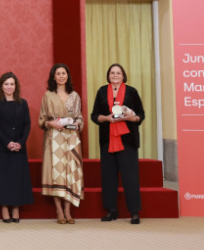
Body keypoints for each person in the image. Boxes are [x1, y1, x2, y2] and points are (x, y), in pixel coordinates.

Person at [91, 63, 145, 224]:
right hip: (108, 140)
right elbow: (95, 115)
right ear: (108, 75)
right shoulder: (101, 91)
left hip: (127, 140)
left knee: (130, 177)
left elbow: (140, 115)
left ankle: (134, 212)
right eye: (112, 73)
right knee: (108, 177)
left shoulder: (131, 91)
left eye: (118, 73)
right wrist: (106, 118)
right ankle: (111, 210)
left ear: (123, 75)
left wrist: (130, 117)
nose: (115, 75)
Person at [39, 63, 84, 224]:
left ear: (67, 76)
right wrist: (51, 124)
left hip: (71, 139)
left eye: (64, 73)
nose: (61, 76)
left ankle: (68, 211)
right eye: (58, 73)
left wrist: (78, 123)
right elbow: (42, 120)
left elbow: (79, 117)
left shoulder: (75, 95)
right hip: (54, 139)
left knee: (69, 174)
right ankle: (59, 211)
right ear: (53, 77)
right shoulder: (48, 96)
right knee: (57, 174)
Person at [0, 72, 33, 223]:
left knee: (17, 178)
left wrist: (20, 142)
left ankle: (16, 207)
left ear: (16, 86)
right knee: (4, 179)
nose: (9, 86)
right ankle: (4, 208)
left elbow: (27, 124)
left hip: (20, 147)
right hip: (3, 146)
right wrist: (7, 142)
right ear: (1, 86)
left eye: (12, 84)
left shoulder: (23, 103)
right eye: (6, 84)